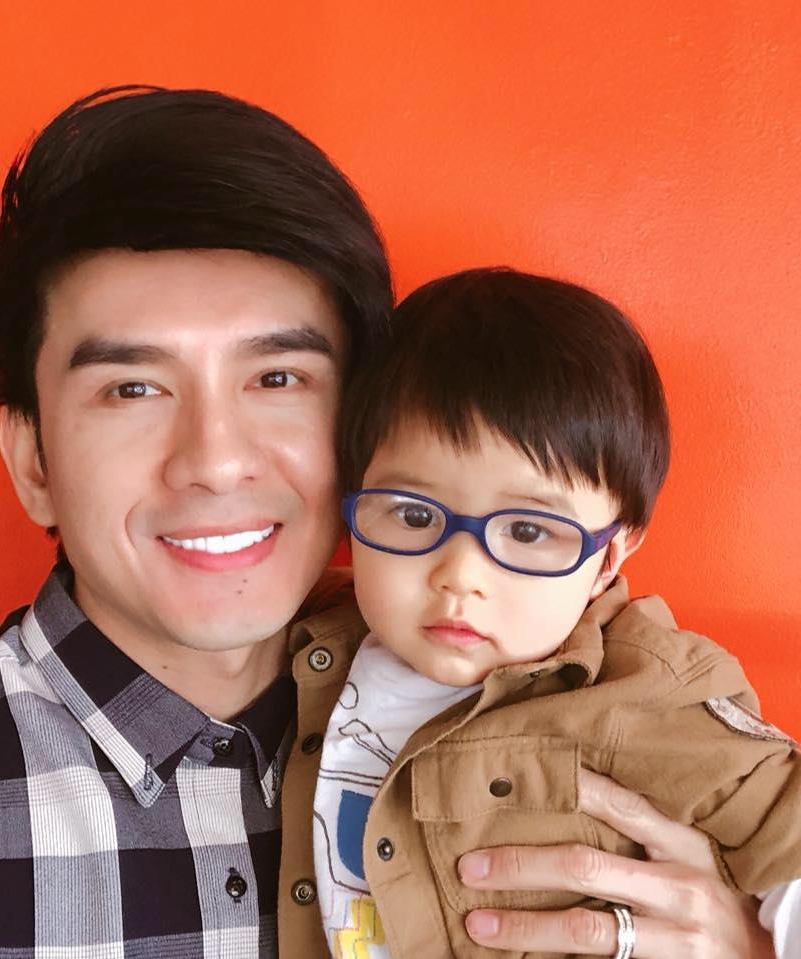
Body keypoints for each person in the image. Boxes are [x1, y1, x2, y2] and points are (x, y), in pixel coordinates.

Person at [0, 86, 778, 958]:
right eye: (132, 388)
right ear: (33, 461)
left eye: (278, 377)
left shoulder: (575, 696)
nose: (215, 459)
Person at [314, 267, 801, 958]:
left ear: (607, 559)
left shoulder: (645, 687)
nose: (460, 576)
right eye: (415, 515)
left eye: (528, 530)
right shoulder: (307, 650)